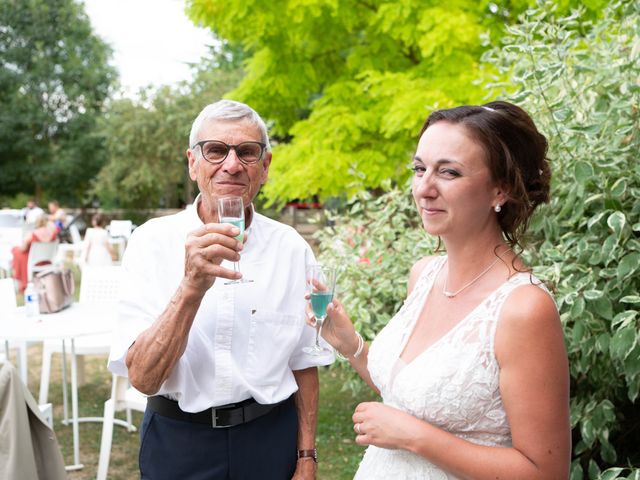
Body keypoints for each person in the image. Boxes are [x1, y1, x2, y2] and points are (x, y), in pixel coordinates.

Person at [312, 101, 571, 479]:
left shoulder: (523, 308)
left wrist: (415, 438)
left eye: (448, 172)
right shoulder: (424, 275)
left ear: (501, 190)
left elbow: (546, 472)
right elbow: (415, 394)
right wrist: (351, 345)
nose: (423, 189)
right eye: (419, 169)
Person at [107, 99, 333, 480]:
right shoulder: (151, 242)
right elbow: (143, 379)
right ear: (193, 163)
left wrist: (307, 456)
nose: (232, 165)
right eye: (215, 150)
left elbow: (304, 361)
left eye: (247, 152)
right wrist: (192, 287)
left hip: (269, 440)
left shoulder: (291, 247)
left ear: (265, 167)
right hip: (179, 443)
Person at [11, 214, 58, 292]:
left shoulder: (33, 233)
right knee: (18, 252)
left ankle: (23, 282)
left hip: (34, 261)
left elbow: (23, 248)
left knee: (16, 251)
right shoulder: (52, 233)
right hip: (47, 260)